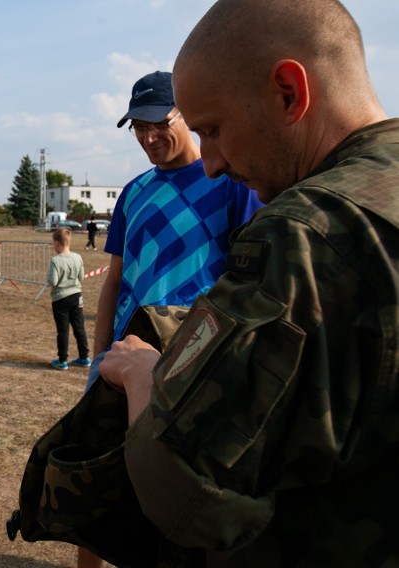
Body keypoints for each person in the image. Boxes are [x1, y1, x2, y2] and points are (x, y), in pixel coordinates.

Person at [98, 1, 399, 566]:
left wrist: (144, 376)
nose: (211, 162)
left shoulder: (302, 233)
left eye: (212, 129)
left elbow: (187, 491)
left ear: (288, 92)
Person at [77, 70, 262, 568]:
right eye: (138, 126)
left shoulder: (229, 185)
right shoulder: (133, 193)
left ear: (188, 115)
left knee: (175, 496)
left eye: (158, 122)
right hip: (123, 363)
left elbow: (249, 284)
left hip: (194, 366)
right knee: (103, 484)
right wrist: (97, 360)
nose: (148, 137)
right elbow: (113, 282)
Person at [48, 228, 90, 370]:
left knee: (63, 330)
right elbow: (81, 277)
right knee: (79, 328)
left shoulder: (56, 260)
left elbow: (53, 281)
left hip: (60, 299)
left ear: (57, 243)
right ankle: (84, 357)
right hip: (76, 296)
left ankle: (62, 360)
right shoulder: (77, 257)